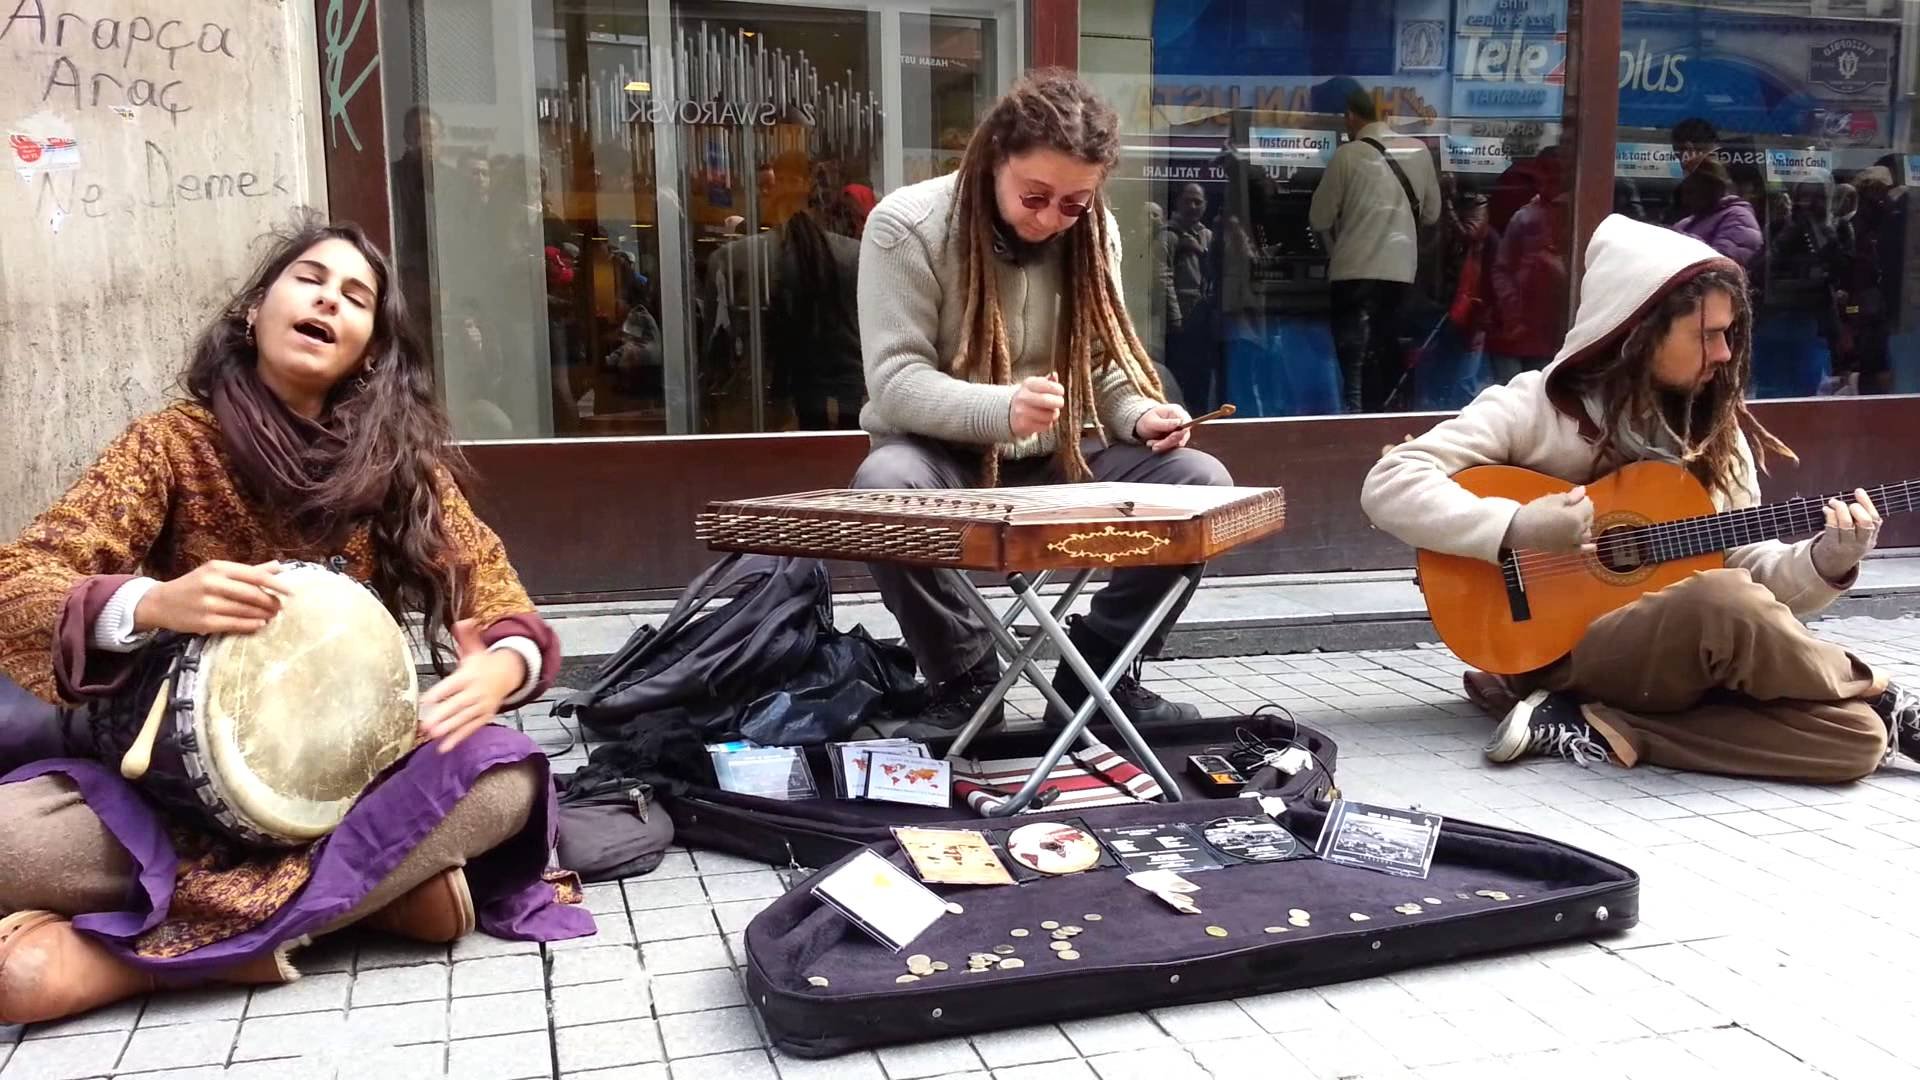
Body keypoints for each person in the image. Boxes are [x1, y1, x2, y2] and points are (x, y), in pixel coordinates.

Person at [0, 219, 594, 1024]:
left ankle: (141, 969)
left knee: (510, 778)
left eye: (356, 298)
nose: (328, 301)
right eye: (310, 280)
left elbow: (492, 591)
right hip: (165, 795)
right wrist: (152, 603)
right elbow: (20, 580)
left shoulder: (395, 465)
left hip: (343, 789)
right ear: (255, 309)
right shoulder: (172, 445)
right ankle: (372, 902)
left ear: (370, 349)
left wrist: (502, 664)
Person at [1361, 214, 1917, 783]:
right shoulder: (1534, 406)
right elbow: (1390, 482)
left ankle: (1590, 727)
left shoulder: (1714, 435)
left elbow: (1746, 565)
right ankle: (1880, 692)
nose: (1725, 354)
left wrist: (1826, 561)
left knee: (1855, 742)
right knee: (1723, 600)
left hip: (1676, 661)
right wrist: (1518, 526)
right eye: (1707, 335)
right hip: (1557, 652)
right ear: (1638, 331)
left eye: (1729, 334)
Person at [853, 69, 1231, 734]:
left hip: (1060, 451)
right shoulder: (906, 226)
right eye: (1035, 196)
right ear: (995, 159)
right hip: (945, 456)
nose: (1051, 218)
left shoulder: (1094, 233)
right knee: (883, 485)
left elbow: (1102, 366)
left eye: (1073, 204)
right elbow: (896, 379)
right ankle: (966, 680)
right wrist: (1000, 409)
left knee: (1201, 484)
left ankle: (1102, 669)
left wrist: (1139, 415)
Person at [1308, 82, 1442, 412]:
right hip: (1400, 273)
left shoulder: (1347, 155)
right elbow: (1433, 214)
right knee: (1389, 352)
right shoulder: (1418, 151)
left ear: (1350, 116)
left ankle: (1354, 419)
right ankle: (1386, 419)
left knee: (1352, 358)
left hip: (1353, 272)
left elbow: (1319, 217)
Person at [1672, 158, 1764, 271]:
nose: (1685, 200)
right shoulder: (1687, 222)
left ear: (1713, 188)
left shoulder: (1738, 216)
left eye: (1691, 192)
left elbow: (1723, 265)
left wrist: (1685, 241)